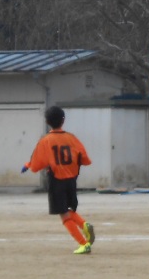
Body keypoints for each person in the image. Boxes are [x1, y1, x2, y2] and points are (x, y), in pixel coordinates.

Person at [22, 105, 95, 254]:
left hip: (57, 180)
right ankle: (84, 224)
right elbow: (85, 158)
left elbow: (37, 164)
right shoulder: (71, 138)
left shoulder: (46, 140)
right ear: (63, 120)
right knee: (68, 209)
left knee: (63, 213)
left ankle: (83, 243)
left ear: (47, 122)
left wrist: (28, 165)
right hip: (71, 180)